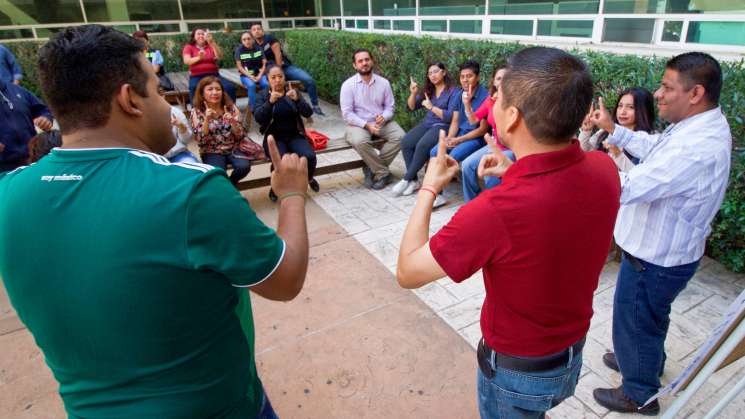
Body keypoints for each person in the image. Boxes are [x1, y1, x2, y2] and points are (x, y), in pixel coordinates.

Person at [0, 24, 311, 419]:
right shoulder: (188, 192)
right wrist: (291, 195)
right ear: (130, 99)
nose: (168, 107)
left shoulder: (8, 194)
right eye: (158, 91)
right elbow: (285, 279)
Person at [396, 47, 621, 419]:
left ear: (513, 117)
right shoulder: (603, 169)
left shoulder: (496, 210)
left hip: (517, 373)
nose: (492, 100)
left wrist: (429, 188)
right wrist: (515, 170)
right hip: (570, 355)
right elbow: (558, 194)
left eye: (498, 95)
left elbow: (408, 271)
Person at [591, 52, 732, 416]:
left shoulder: (697, 145)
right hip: (664, 253)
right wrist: (617, 131)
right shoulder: (695, 126)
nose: (658, 94)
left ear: (696, 92)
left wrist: (576, 171)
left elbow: (630, 186)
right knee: (648, 319)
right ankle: (640, 362)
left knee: (636, 319)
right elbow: (655, 150)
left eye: (667, 87)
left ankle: (638, 394)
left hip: (655, 259)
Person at [427, 60, 489, 208]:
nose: (465, 80)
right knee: (435, 152)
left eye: (469, 76)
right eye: (462, 77)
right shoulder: (459, 94)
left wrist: (459, 140)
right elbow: (455, 121)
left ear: (478, 77)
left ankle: (468, 201)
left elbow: (482, 130)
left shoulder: (485, 96)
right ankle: (437, 194)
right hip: (459, 134)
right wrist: (451, 138)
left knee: (451, 157)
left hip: (475, 138)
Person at [340, 48, 404, 190]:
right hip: (357, 124)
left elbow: (390, 107)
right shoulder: (348, 85)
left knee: (400, 137)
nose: (364, 63)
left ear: (372, 61)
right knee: (360, 141)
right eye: (360, 61)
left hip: (381, 122)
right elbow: (347, 113)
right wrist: (367, 126)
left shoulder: (384, 83)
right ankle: (382, 172)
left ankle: (371, 168)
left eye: (367, 59)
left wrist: (384, 116)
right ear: (355, 65)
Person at [391, 62, 457, 197]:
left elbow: (450, 117)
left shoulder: (453, 91)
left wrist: (432, 107)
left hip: (443, 126)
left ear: (443, 72)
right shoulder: (429, 90)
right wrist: (413, 93)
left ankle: (406, 179)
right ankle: (414, 180)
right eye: (430, 73)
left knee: (423, 145)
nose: (433, 75)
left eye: (436, 71)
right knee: (406, 142)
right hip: (428, 124)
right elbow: (411, 107)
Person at [255, 65, 319, 201]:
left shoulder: (292, 92)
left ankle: (308, 178)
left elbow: (308, 113)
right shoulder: (262, 95)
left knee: (310, 156)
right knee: (281, 160)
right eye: (273, 77)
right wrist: (270, 102)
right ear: (268, 80)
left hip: (294, 135)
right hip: (274, 138)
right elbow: (259, 118)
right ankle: (275, 186)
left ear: (285, 78)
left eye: (280, 76)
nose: (277, 80)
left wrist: (298, 100)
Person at [460, 65, 514, 202]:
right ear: (494, 82)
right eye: (499, 78)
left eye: (506, 78)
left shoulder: (517, 101)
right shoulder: (490, 100)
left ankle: (490, 207)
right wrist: (467, 104)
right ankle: (472, 204)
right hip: (494, 144)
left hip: (511, 148)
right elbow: (473, 120)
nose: (502, 81)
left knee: (490, 179)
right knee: (467, 166)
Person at [249, 22, 325, 116]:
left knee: (308, 79)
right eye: (254, 29)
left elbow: (278, 54)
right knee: (266, 87)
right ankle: (273, 110)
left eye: (258, 29)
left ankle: (315, 106)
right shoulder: (252, 45)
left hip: (284, 67)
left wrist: (279, 72)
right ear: (251, 32)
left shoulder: (270, 39)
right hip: (268, 73)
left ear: (262, 31)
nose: (257, 31)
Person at [190, 76, 251, 185]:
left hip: (233, 147)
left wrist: (232, 122)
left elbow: (240, 135)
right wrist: (207, 121)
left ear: (222, 92)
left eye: (218, 89)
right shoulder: (197, 111)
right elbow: (201, 140)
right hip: (211, 150)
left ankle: (230, 186)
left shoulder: (231, 108)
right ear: (202, 93)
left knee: (244, 167)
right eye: (210, 89)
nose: (215, 92)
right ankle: (228, 190)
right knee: (218, 173)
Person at [579, 87, 655, 172]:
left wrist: (618, 154)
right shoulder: (605, 132)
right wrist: (586, 131)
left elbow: (641, 178)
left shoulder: (649, 140)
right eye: (620, 106)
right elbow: (583, 153)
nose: (622, 112)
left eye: (630, 107)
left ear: (643, 110)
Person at [0, 77, 54, 172]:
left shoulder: (17, 90)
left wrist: (45, 118)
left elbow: (42, 109)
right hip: (3, 167)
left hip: (31, 160)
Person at [182, 28, 236, 102]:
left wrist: (211, 42)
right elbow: (187, 61)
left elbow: (219, 56)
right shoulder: (189, 47)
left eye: (203, 34)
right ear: (194, 37)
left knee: (229, 87)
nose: (201, 35)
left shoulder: (210, 45)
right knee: (194, 87)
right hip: (197, 75)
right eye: (198, 34)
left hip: (214, 75)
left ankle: (231, 109)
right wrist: (199, 58)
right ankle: (195, 111)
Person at [234, 31, 268, 113]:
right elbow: (239, 67)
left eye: (248, 39)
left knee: (265, 84)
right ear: (242, 41)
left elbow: (264, 63)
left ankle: (267, 105)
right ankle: (254, 109)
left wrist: (260, 75)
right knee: (252, 85)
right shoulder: (239, 50)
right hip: (246, 75)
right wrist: (250, 76)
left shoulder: (258, 48)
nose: (247, 41)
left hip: (259, 74)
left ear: (252, 39)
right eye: (244, 39)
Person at [164, 97, 197, 164]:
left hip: (177, 154)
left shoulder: (175, 111)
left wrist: (181, 126)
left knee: (193, 168)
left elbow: (186, 140)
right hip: (151, 159)